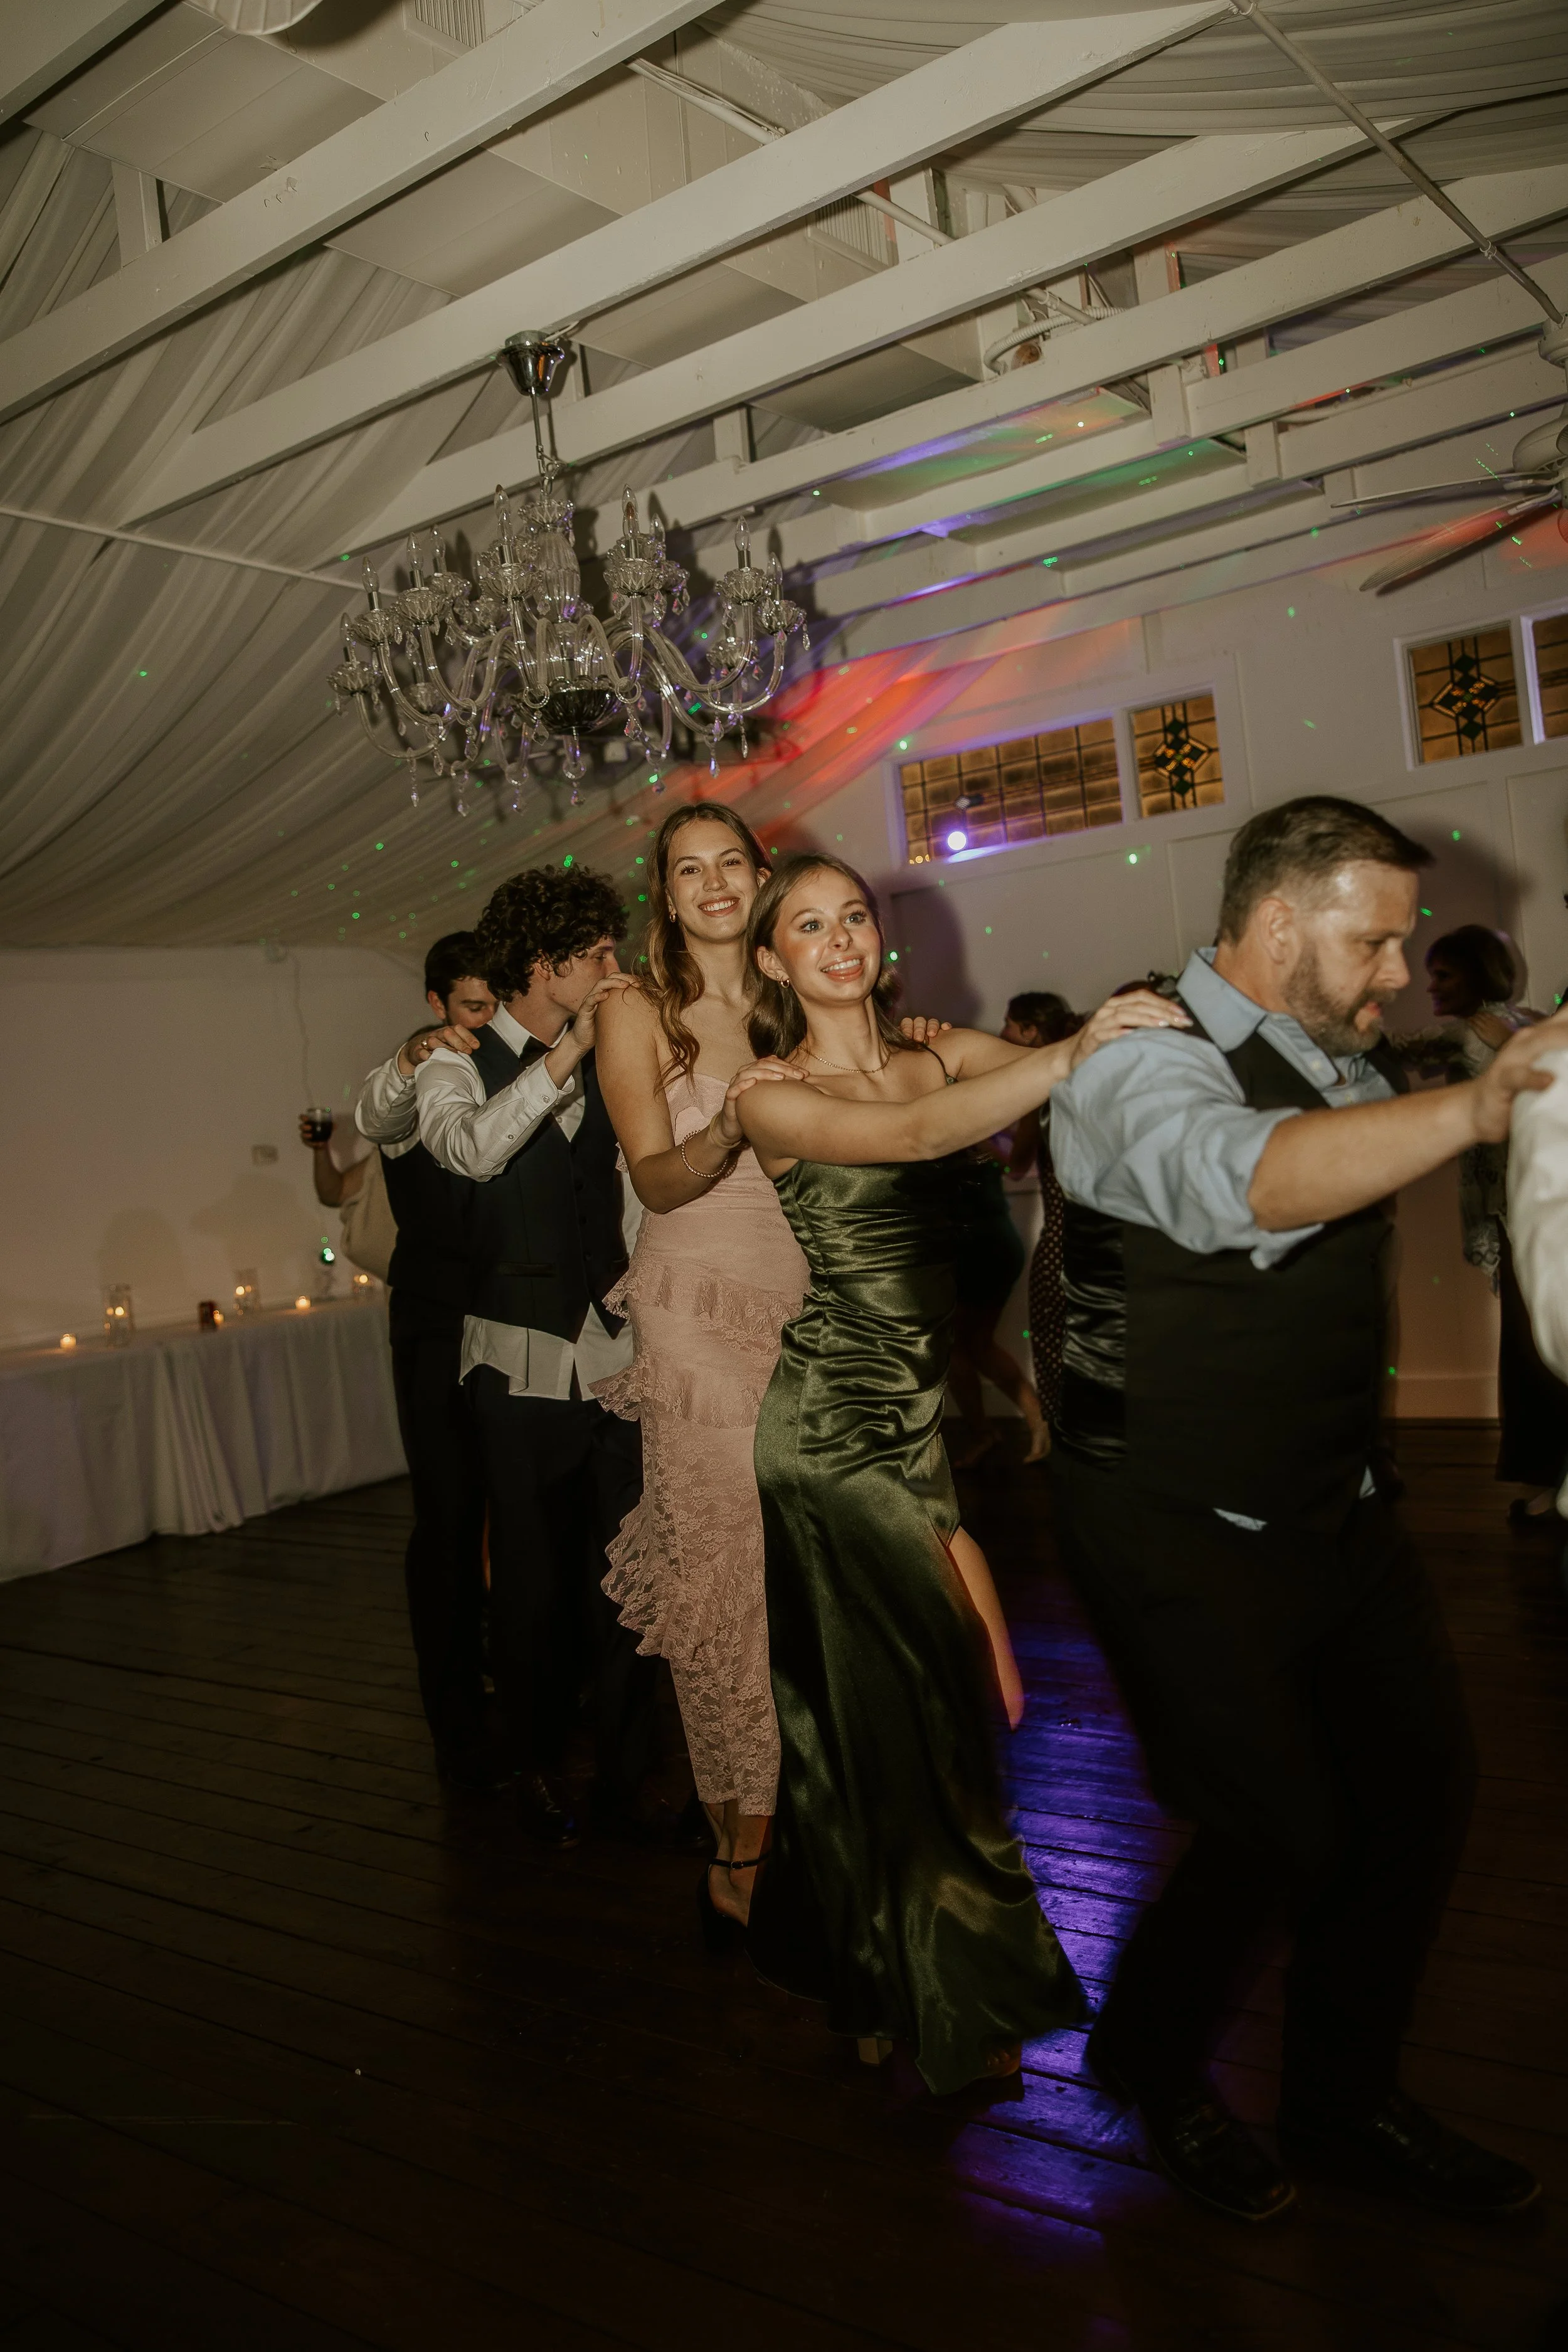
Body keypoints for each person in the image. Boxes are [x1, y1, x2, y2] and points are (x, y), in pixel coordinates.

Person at [1047, 795, 1559, 2224]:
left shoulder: (1332, 1056)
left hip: (1334, 1500)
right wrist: (1470, 1101)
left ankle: (1341, 2106)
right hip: (1170, 1512)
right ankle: (1147, 2062)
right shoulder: (1135, 1055)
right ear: (1280, 922)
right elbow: (1240, 1183)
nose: (1398, 971)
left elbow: (1373, 1131)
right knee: (1272, 1824)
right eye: (1376, 941)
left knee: (1417, 1791)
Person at [731, 851, 1187, 2095]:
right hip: (828, 1433)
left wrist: (1038, 1047)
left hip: (912, 1421)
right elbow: (918, 1132)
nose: (836, 938)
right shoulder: (764, 1095)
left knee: (881, 1718)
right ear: (771, 960)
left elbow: (1020, 1093)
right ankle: (942, 1981)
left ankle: (879, 1974)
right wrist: (1074, 1038)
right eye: (806, 926)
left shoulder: (932, 1053)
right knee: (914, 1713)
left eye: (853, 917)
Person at [593, 803, 811, 1940]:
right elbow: (659, 1178)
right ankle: (743, 1845)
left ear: (761, 877)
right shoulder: (637, 1008)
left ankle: (783, 1817)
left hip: (799, 1305)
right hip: (688, 1309)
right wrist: (732, 1126)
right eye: (691, 868)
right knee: (725, 1575)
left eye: (734, 861)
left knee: (789, 1577)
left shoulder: (794, 994)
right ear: (667, 897)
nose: (716, 881)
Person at [409, 869, 658, 1850]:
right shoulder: (452, 1063)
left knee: (632, 1575)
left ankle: (632, 1777)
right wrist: (563, 1061)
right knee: (531, 1587)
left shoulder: (614, 1052)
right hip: (515, 1370)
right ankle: (539, 1765)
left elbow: (632, 1186)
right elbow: (470, 1151)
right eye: (598, 952)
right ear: (547, 964)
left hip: (618, 1358)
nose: (615, 966)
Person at [352, 934, 498, 1789]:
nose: (482, 1024)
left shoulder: (516, 1060)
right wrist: (411, 1055)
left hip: (511, 1324)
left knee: (516, 1514)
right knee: (446, 1518)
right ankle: (454, 1716)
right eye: (470, 1007)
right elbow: (383, 1108)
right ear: (438, 1002)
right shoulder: (410, 1076)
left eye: (494, 1005)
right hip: (436, 1327)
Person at [1399, 924, 1566, 1523]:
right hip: (1530, 1211)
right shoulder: (1529, 1020)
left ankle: (1553, 1485)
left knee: (1535, 1354)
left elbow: (1399, 1048)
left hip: (1525, 1213)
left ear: (1477, 973)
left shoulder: (1477, 1033)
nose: (1431, 987)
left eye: (1443, 975)